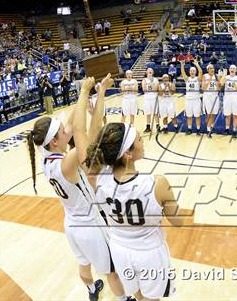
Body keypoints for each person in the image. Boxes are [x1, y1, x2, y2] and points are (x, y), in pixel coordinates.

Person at [26, 75, 132, 301]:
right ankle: (124, 299)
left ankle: (92, 290)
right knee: (111, 271)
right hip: (89, 225)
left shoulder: (46, 156)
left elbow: (71, 124)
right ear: (55, 141)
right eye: (63, 132)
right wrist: (90, 93)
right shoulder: (67, 163)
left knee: (84, 266)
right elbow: (87, 135)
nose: (67, 131)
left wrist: (90, 93)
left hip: (71, 224)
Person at [77, 119, 190, 299]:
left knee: (138, 296)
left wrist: (87, 93)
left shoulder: (97, 179)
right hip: (150, 254)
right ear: (128, 153)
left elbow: (80, 134)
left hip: (120, 250)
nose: (142, 140)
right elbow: (178, 222)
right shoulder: (157, 183)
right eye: (139, 139)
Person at [220, 64, 237, 138]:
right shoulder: (226, 77)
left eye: (234, 68)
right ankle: (227, 129)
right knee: (228, 115)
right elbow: (221, 83)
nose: (232, 69)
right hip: (227, 98)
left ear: (236, 70)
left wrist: (236, 87)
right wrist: (224, 74)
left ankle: (234, 131)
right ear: (229, 70)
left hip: (236, 98)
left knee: (235, 115)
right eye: (231, 68)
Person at [181, 59, 203, 135]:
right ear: (189, 72)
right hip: (188, 100)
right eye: (191, 71)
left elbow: (201, 72)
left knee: (197, 116)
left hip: (196, 100)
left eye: (193, 71)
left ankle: (198, 130)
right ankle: (189, 129)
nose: (192, 72)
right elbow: (183, 73)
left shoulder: (198, 79)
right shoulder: (187, 79)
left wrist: (197, 64)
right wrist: (182, 65)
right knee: (189, 116)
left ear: (195, 72)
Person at [202, 64, 221, 137]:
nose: (212, 69)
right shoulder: (205, 76)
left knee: (214, 113)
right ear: (207, 70)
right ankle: (208, 130)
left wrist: (218, 85)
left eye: (212, 68)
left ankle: (210, 126)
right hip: (207, 96)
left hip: (215, 96)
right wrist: (209, 81)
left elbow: (219, 88)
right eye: (210, 68)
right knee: (209, 113)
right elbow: (203, 88)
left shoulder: (217, 76)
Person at [142, 68, 160, 133]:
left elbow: (156, 89)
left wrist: (151, 83)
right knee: (148, 114)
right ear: (146, 72)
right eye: (149, 71)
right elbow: (144, 90)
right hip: (147, 99)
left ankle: (158, 127)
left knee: (155, 114)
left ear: (153, 72)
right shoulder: (144, 80)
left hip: (154, 99)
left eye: (151, 71)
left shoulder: (155, 80)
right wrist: (151, 87)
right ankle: (148, 127)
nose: (150, 72)